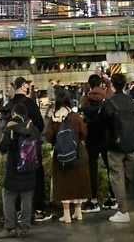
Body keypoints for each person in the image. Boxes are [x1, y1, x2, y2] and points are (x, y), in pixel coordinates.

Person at [6, 77, 53, 222]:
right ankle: (38, 210)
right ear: (24, 86)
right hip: (31, 147)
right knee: (37, 176)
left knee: (17, 178)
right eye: (28, 85)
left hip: (14, 149)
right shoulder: (30, 104)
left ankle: (20, 212)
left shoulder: (9, 104)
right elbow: (39, 124)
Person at [44, 93, 90, 223]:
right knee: (78, 181)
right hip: (78, 152)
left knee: (64, 183)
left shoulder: (54, 118)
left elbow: (48, 136)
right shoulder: (75, 117)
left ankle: (66, 214)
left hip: (61, 154)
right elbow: (84, 132)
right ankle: (78, 212)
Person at [0, 103, 38, 239]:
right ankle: (25, 229)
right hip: (30, 169)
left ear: (14, 114)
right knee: (26, 199)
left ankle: (10, 228)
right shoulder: (33, 128)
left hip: (14, 169)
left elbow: (3, 147)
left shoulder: (11, 127)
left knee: (8, 196)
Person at [104, 72, 134, 223]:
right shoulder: (131, 101)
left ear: (112, 85)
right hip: (132, 144)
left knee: (117, 177)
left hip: (115, 145)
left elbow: (103, 123)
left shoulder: (109, 103)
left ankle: (123, 211)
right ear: (125, 85)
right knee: (132, 177)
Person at [78, 74, 112, 212]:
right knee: (110, 167)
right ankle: (113, 197)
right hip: (106, 136)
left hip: (92, 137)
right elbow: (110, 87)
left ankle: (93, 200)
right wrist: (105, 81)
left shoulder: (85, 99)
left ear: (89, 85)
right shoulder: (107, 97)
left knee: (92, 169)